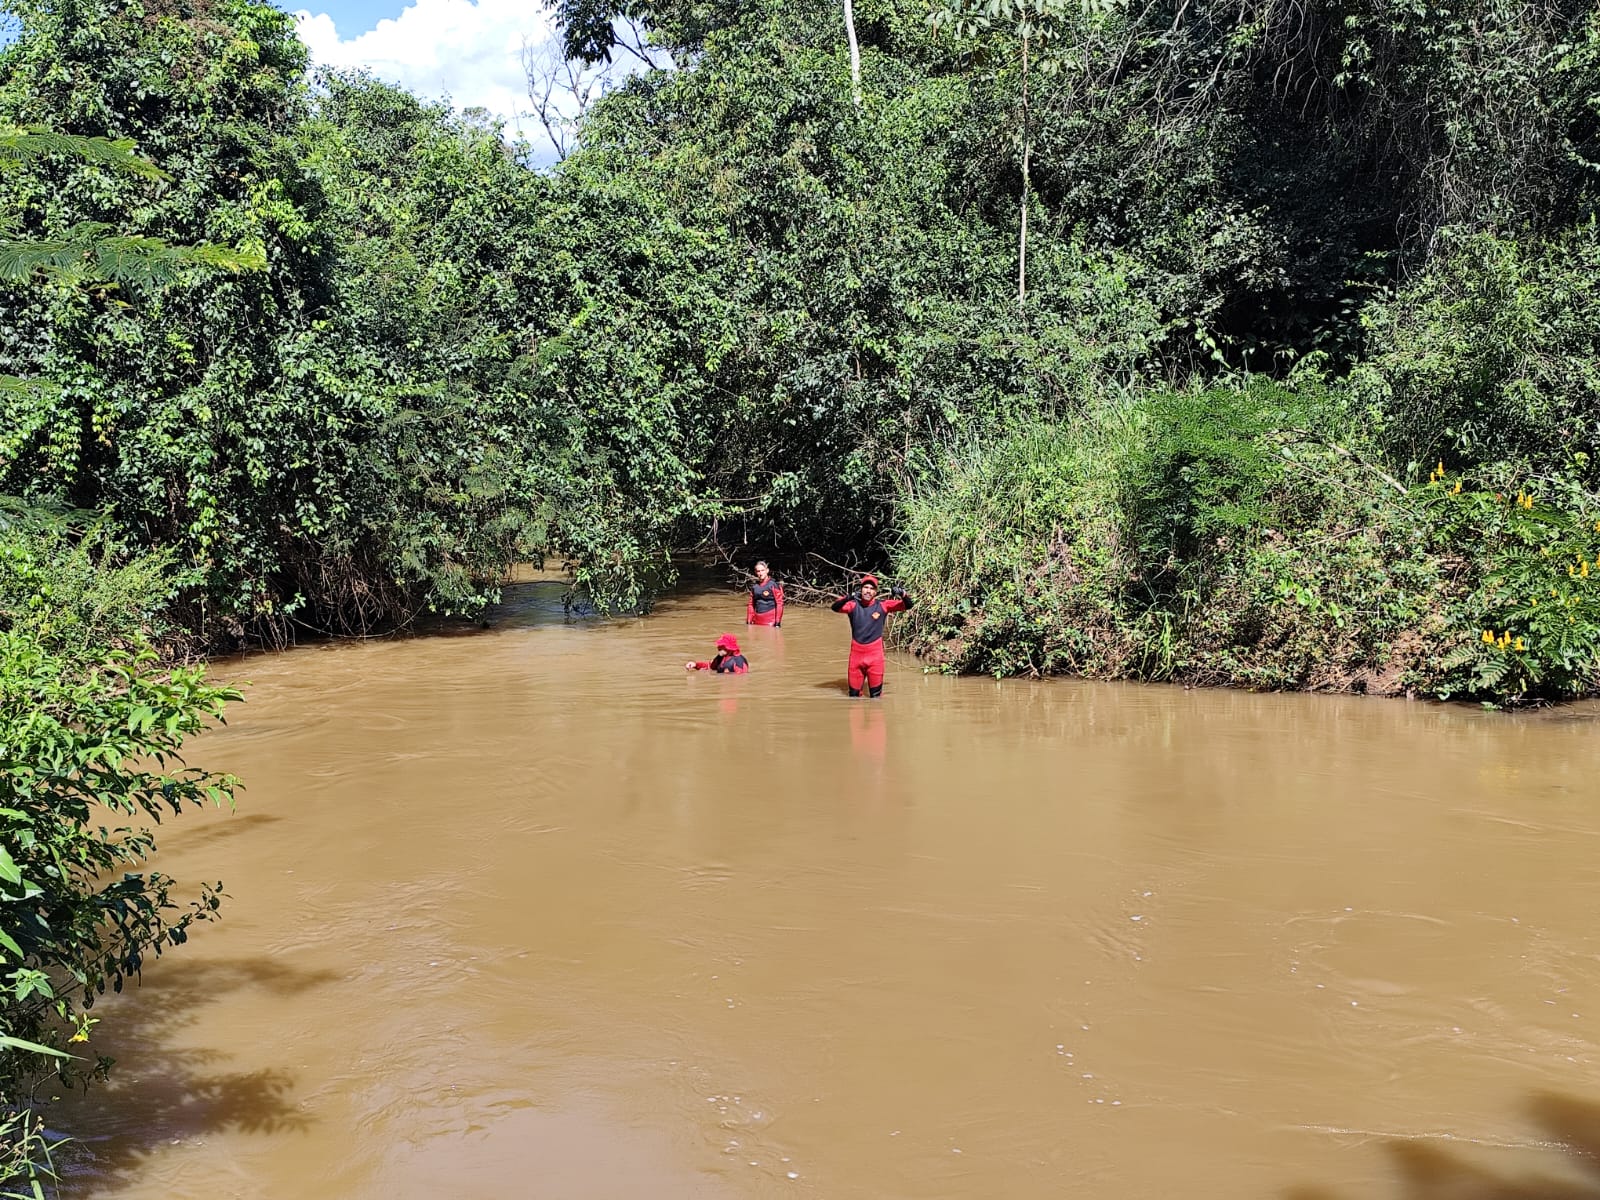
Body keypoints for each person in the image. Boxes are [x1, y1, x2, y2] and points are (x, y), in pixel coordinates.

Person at [830, 574, 912, 697]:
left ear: (875, 592)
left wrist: (902, 593)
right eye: (865, 587)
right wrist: (849, 597)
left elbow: (908, 605)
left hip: (875, 658)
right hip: (856, 659)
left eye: (871, 588)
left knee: (876, 698)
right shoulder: (853, 606)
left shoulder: (883, 606)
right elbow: (835, 607)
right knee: (853, 697)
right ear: (861, 589)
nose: (868, 591)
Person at [685, 633, 750, 674]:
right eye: (719, 646)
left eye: (721, 646)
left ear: (729, 648)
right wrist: (695, 665)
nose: (718, 647)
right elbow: (710, 667)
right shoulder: (721, 657)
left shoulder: (739, 662)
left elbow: (741, 679)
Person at [746, 560, 784, 627]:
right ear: (755, 572)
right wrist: (749, 621)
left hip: (770, 622)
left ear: (767, 571)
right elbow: (751, 604)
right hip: (757, 622)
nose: (760, 573)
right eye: (758, 571)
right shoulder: (755, 587)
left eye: (762, 570)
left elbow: (779, 604)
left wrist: (778, 623)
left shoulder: (773, 585)